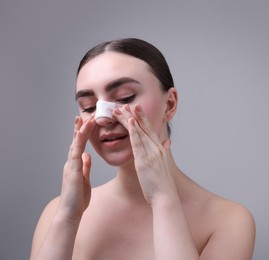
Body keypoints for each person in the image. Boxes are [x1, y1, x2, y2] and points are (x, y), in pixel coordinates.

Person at [30, 38, 256, 260]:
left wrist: (163, 200)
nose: (102, 118)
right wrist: (68, 218)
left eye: (124, 97)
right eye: (88, 106)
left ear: (170, 104)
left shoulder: (229, 220)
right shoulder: (58, 212)